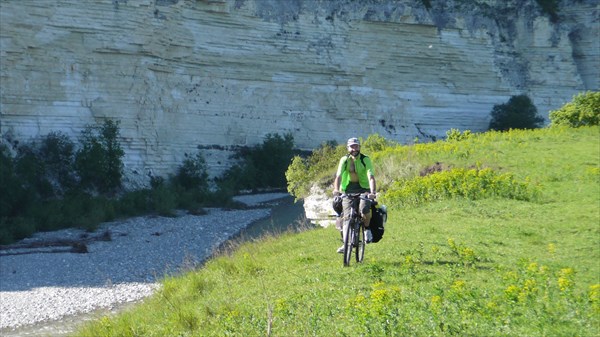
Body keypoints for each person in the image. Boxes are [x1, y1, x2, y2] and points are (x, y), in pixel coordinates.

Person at [332, 137, 377, 253]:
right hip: (348, 190)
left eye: (356, 146)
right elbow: (338, 176)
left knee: (364, 208)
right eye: (352, 147)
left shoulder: (365, 159)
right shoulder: (345, 160)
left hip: (364, 189)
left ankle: (367, 230)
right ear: (348, 148)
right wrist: (336, 190)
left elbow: (371, 176)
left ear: (359, 147)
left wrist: (372, 192)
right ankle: (346, 243)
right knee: (345, 216)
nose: (354, 149)